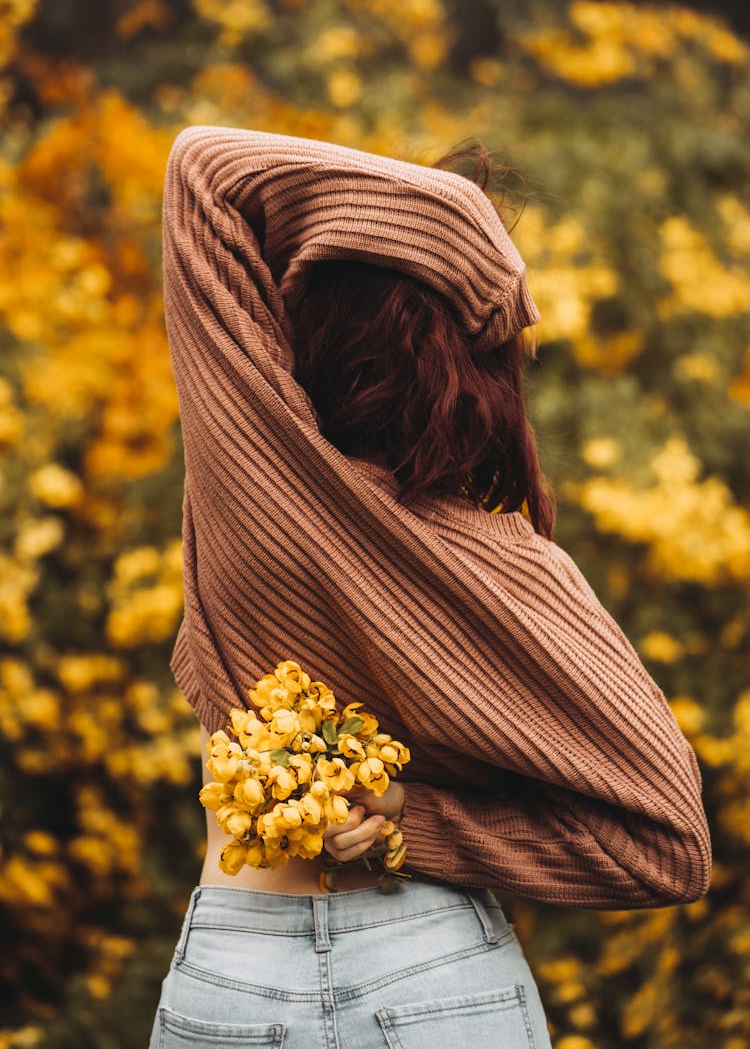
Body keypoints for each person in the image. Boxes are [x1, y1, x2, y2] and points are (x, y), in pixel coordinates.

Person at [148, 126, 711, 1049]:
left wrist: (457, 231)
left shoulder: (254, 472)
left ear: (306, 327)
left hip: (234, 976)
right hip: (438, 973)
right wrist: (421, 819)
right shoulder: (514, 571)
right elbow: (668, 847)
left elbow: (203, 166)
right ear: (470, 368)